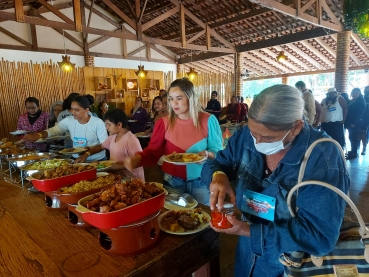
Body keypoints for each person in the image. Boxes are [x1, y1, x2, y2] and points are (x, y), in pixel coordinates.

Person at [201, 84, 349, 277]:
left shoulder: (322, 157)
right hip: (247, 254)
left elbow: (320, 237)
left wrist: (248, 231)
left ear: (296, 127)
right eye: (254, 134)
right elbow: (218, 162)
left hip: (289, 262)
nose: (258, 143)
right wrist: (218, 176)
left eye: (269, 138)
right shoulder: (247, 136)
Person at [124, 77, 223, 205]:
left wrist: (208, 154)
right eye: (171, 99)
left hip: (202, 179)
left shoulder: (208, 120)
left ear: (190, 98)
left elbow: (218, 151)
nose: (174, 103)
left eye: (179, 98)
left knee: (203, 218)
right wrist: (136, 159)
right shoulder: (163, 123)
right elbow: (153, 152)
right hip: (172, 181)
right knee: (173, 219)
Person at [24, 96, 108, 161]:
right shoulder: (69, 120)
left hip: (97, 160)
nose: (72, 112)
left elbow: (104, 144)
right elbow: (55, 130)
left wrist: (87, 153)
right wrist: (39, 135)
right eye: (72, 109)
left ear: (86, 110)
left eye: (76, 110)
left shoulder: (97, 122)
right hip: (77, 159)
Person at [75, 109, 144, 180]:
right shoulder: (113, 136)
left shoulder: (131, 139)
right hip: (118, 178)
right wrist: (86, 154)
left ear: (119, 125)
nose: (106, 127)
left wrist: (116, 167)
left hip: (132, 180)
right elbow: (101, 147)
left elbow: (140, 162)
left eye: (109, 124)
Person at [345, 88, 366, 159]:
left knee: (354, 137)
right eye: (354, 93)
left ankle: (354, 153)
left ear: (359, 93)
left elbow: (360, 114)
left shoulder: (361, 101)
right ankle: (352, 150)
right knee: (351, 136)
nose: (355, 94)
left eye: (357, 93)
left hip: (356, 122)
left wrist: (354, 123)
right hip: (349, 121)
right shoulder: (351, 101)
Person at [360, 86, 369, 155]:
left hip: (366, 119)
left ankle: (364, 148)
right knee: (362, 135)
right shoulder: (362, 98)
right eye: (365, 90)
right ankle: (362, 148)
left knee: (365, 135)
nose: (366, 91)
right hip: (361, 119)